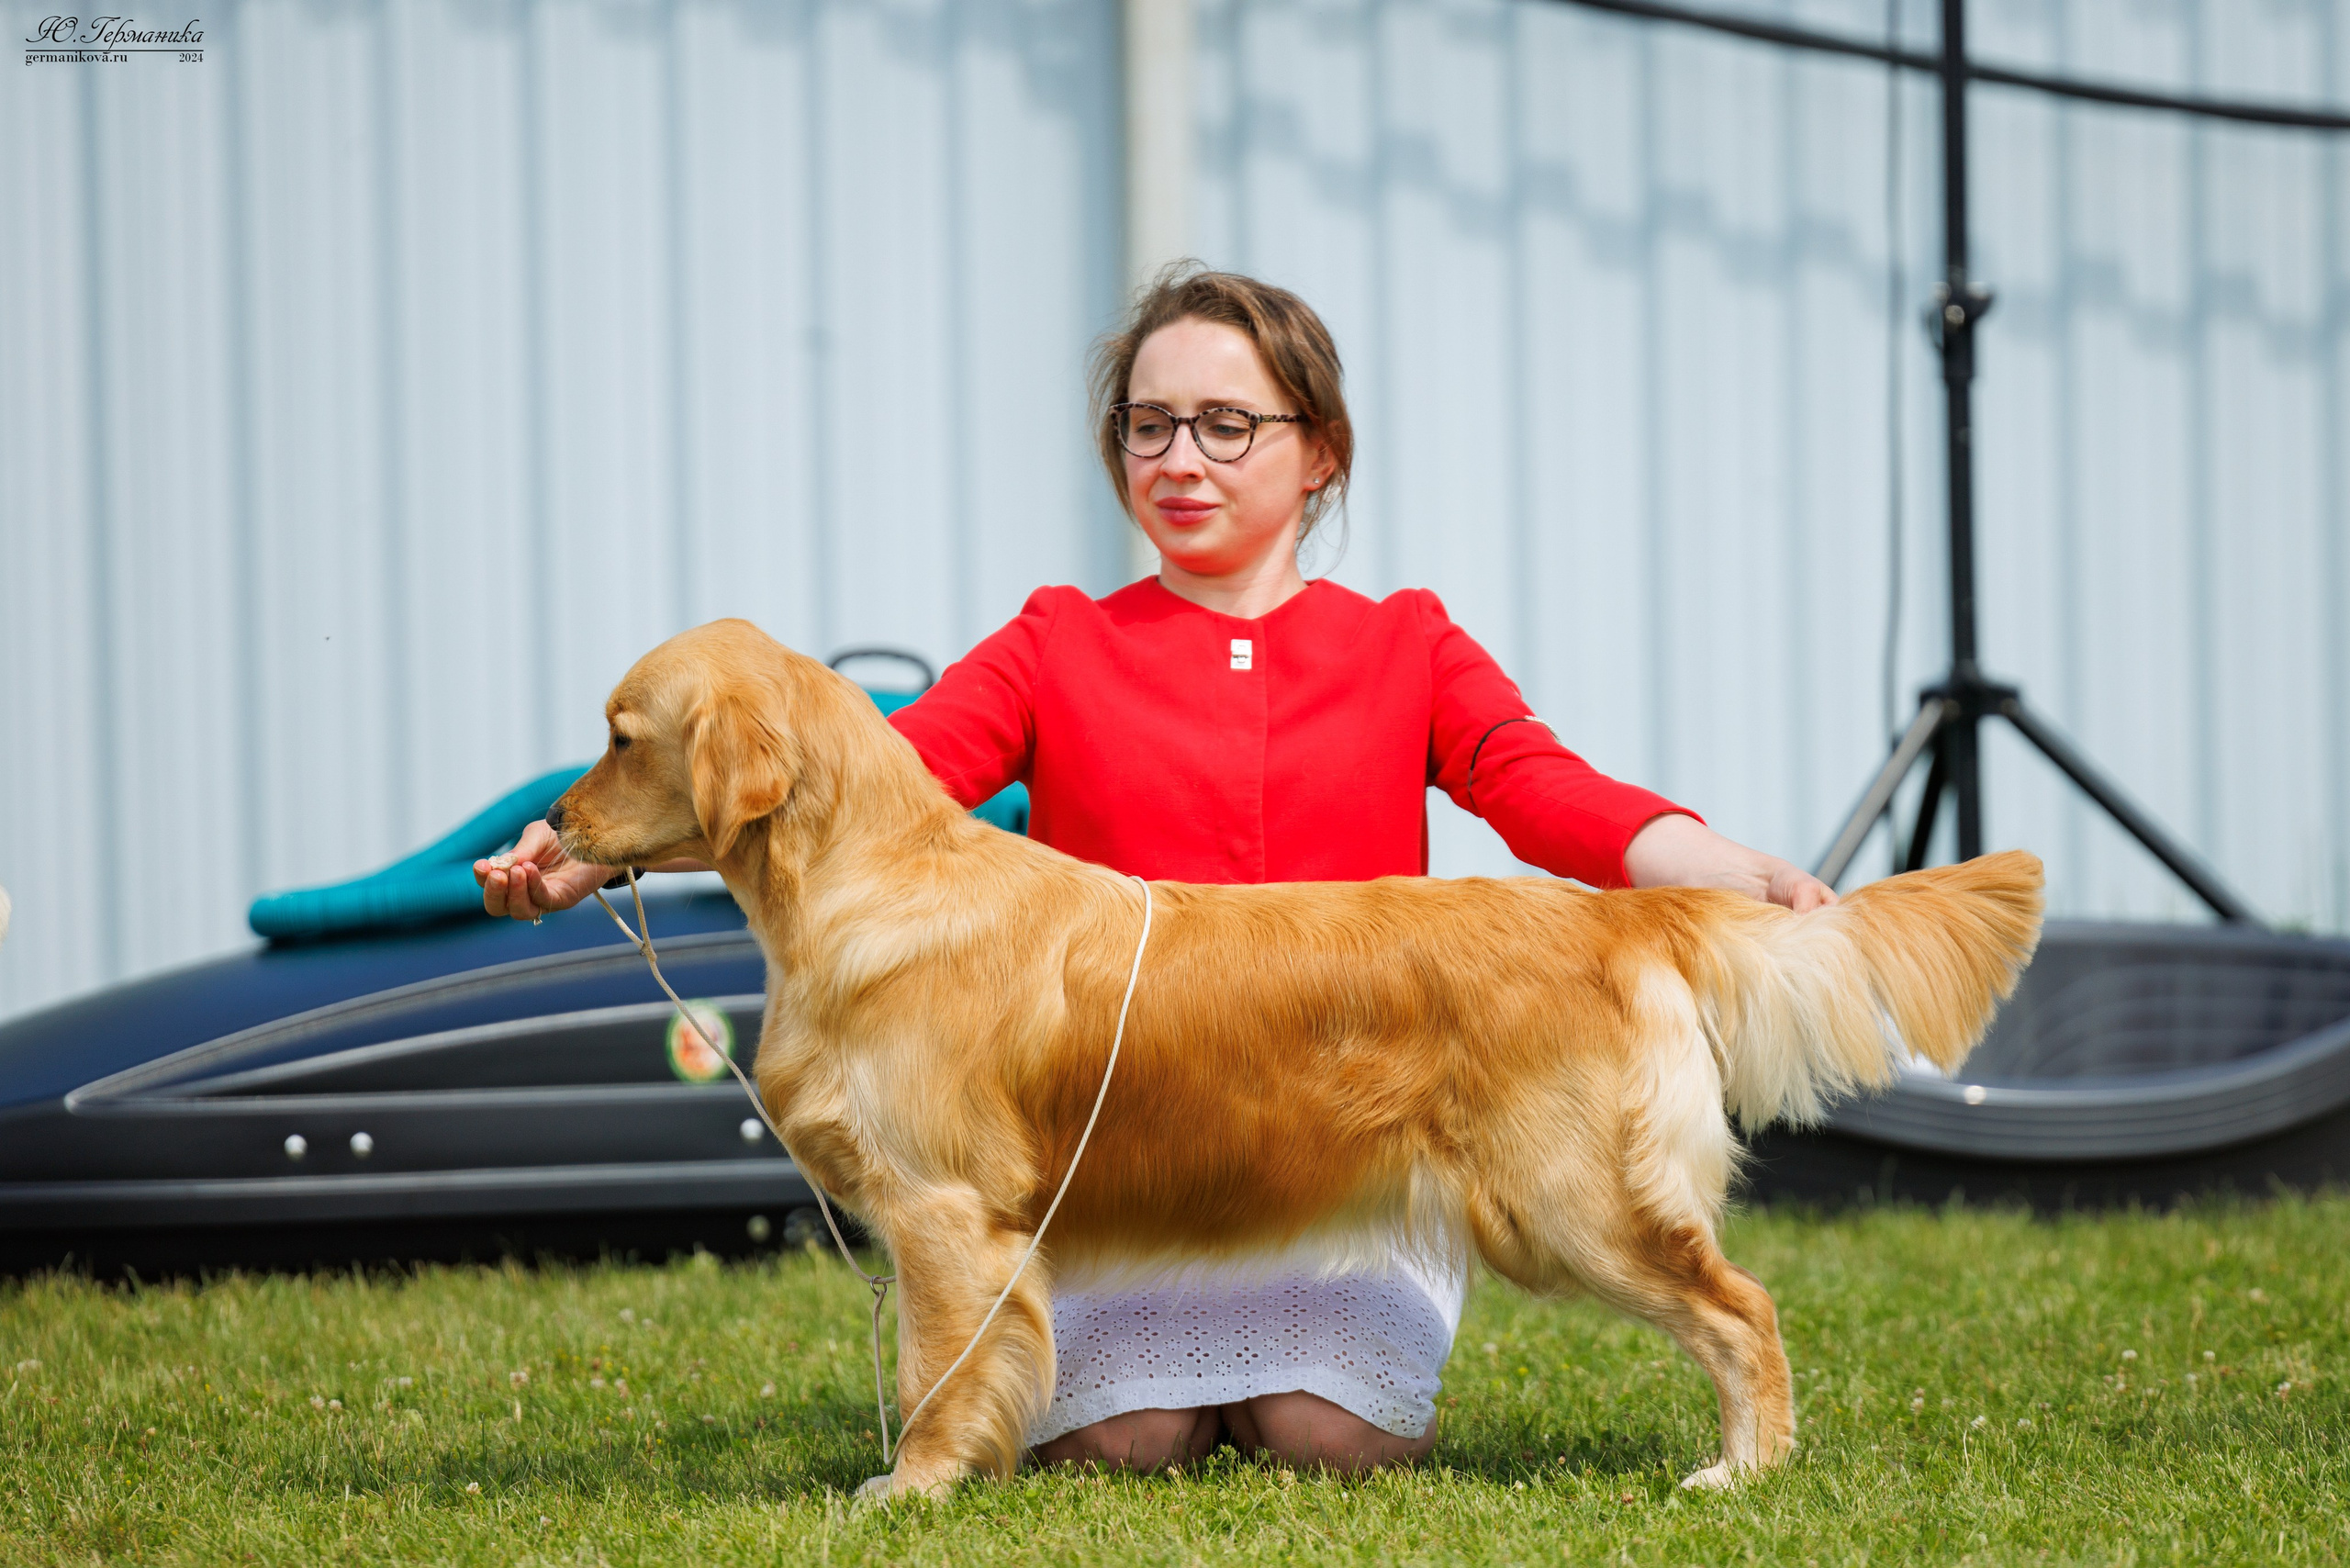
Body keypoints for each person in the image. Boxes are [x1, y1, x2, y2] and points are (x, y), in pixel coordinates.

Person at [477, 265, 1835, 1475]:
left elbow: (1542, 791)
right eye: (1149, 424)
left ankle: (1664, 1374)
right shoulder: (1058, 640)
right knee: (1125, 1444)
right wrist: (598, 856)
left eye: (1227, 426)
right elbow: (865, 780)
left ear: (1320, 455)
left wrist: (1730, 873)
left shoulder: (1406, 645)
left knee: (1327, 1437)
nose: (1180, 458)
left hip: (1337, 1144)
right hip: (1130, 1170)